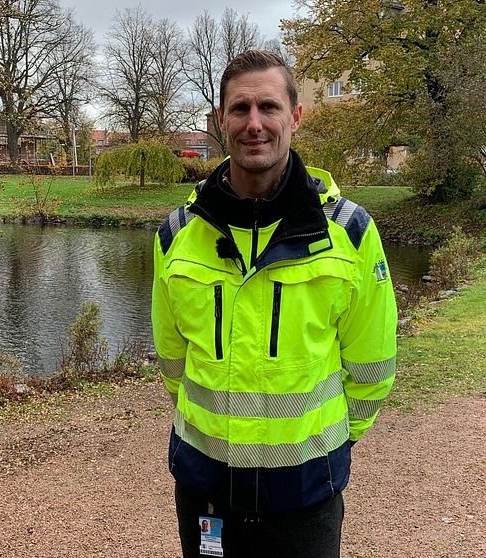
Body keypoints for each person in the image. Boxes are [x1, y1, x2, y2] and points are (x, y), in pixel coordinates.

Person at [151, 50, 397, 558]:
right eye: (240, 109)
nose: (254, 124)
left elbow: (372, 364)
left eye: (269, 107)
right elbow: (172, 361)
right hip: (205, 486)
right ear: (221, 120)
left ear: (296, 116)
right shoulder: (177, 236)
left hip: (306, 491)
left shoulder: (349, 234)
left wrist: (332, 445)